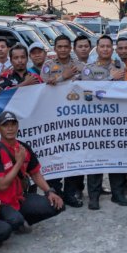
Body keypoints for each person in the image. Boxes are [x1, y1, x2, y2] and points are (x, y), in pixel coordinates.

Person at [0, 111, 65, 230]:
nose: (10, 128)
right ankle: (8, 222)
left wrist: (49, 191)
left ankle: (23, 219)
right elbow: (1, 185)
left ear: (17, 127)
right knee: (14, 221)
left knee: (57, 205)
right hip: (1, 203)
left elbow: (35, 173)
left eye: (13, 124)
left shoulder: (24, 148)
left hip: (20, 199)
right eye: (5, 125)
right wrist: (19, 163)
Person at [80, 36, 127, 209]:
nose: (106, 49)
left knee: (116, 156)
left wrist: (114, 78)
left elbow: (123, 91)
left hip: (115, 119)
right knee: (96, 158)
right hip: (96, 120)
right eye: (102, 46)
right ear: (97, 49)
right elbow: (89, 92)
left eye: (109, 46)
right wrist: (110, 78)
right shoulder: (89, 68)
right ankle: (94, 195)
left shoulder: (120, 66)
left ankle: (118, 193)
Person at [42, 36, 85, 207]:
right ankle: (55, 191)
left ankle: (71, 193)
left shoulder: (80, 66)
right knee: (55, 154)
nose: (63, 49)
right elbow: (42, 86)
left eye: (66, 46)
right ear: (55, 48)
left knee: (74, 154)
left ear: (70, 48)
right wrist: (63, 77)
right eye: (59, 46)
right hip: (53, 118)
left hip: (75, 117)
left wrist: (64, 79)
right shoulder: (47, 65)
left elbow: (87, 85)